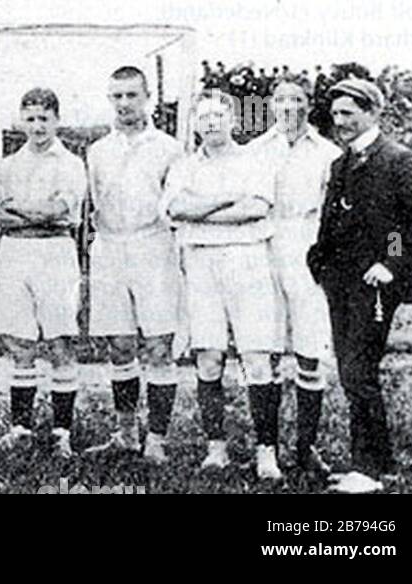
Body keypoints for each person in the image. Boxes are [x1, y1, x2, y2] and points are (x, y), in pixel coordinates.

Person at [308, 79, 412, 493]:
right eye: (336, 115)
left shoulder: (397, 160)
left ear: (372, 112)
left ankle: (366, 470)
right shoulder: (341, 163)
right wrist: (319, 261)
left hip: (374, 286)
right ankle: (381, 465)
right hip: (340, 284)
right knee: (353, 371)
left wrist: (391, 260)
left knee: (358, 371)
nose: (340, 122)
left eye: (349, 113)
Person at [164, 91, 281, 479]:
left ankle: (267, 452)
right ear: (195, 123)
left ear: (232, 120)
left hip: (247, 261)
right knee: (208, 357)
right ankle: (216, 448)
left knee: (257, 359)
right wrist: (229, 197)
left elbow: (257, 208)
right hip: (200, 264)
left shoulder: (254, 159)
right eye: (203, 117)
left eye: (218, 116)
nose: (211, 123)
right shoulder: (183, 165)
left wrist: (204, 209)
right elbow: (176, 209)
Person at [83, 66, 184, 462]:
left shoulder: (169, 148)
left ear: (147, 98)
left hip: (153, 247)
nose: (124, 104)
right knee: (120, 345)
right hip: (110, 248)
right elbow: (92, 206)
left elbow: (174, 206)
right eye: (117, 96)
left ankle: (156, 439)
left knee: (159, 346)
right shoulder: (97, 150)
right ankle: (126, 433)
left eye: (131, 95)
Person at [0, 88, 86, 459]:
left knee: (60, 341)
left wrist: (18, 209)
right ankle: (20, 428)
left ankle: (62, 432)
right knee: (19, 343)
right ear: (20, 120)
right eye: (31, 118)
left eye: (45, 118)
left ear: (56, 120)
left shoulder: (70, 163)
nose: (38, 126)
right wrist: (30, 211)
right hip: (14, 252)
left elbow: (58, 211)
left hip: (56, 250)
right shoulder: (7, 165)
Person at [247, 77, 343, 476]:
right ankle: (266, 448)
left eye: (297, 99)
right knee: (262, 349)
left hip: (309, 251)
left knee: (309, 349)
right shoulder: (254, 151)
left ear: (309, 104)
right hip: (263, 248)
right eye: (281, 99)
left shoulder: (328, 153)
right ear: (271, 106)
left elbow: (338, 211)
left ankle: (306, 447)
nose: (289, 106)